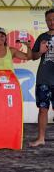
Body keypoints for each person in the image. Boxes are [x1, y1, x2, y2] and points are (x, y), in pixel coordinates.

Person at [29, 8, 54, 147]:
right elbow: (33, 57)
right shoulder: (42, 37)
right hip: (44, 79)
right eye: (49, 20)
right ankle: (41, 138)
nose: (51, 22)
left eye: (53, 19)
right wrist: (41, 51)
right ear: (45, 21)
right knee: (43, 109)